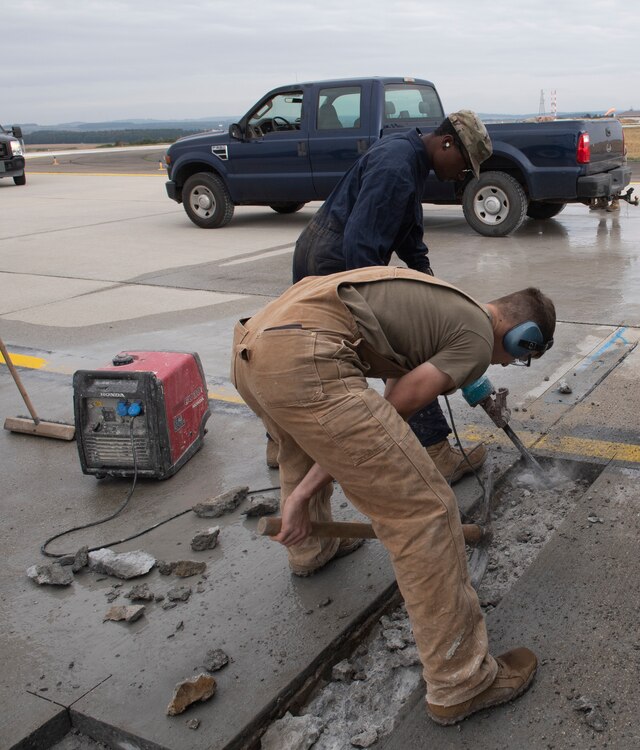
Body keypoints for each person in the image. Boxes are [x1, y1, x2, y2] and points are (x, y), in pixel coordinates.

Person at [231, 266, 555, 724]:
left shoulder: (446, 306)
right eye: (519, 358)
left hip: (254, 347)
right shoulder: (479, 339)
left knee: (302, 445)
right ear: (524, 337)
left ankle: (312, 547)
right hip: (306, 359)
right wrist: (303, 494)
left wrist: (310, 484)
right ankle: (461, 680)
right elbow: (394, 406)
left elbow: (380, 400)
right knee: (425, 512)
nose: (505, 366)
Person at [283, 110, 494, 485]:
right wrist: (385, 312)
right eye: (464, 166)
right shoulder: (396, 167)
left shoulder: (410, 157)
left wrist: (434, 291)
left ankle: (282, 444)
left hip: (327, 251)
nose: (461, 176)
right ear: (447, 143)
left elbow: (410, 237)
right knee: (403, 348)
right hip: (334, 262)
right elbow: (361, 245)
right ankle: (435, 451)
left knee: (310, 354)